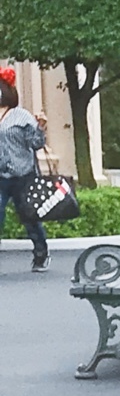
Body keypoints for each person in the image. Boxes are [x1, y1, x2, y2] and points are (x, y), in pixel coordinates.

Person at [0, 74, 51, 273]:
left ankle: (41, 252)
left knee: (29, 216)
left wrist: (40, 128)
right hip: (1, 175)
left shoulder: (21, 116)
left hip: (23, 174)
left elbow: (36, 143)